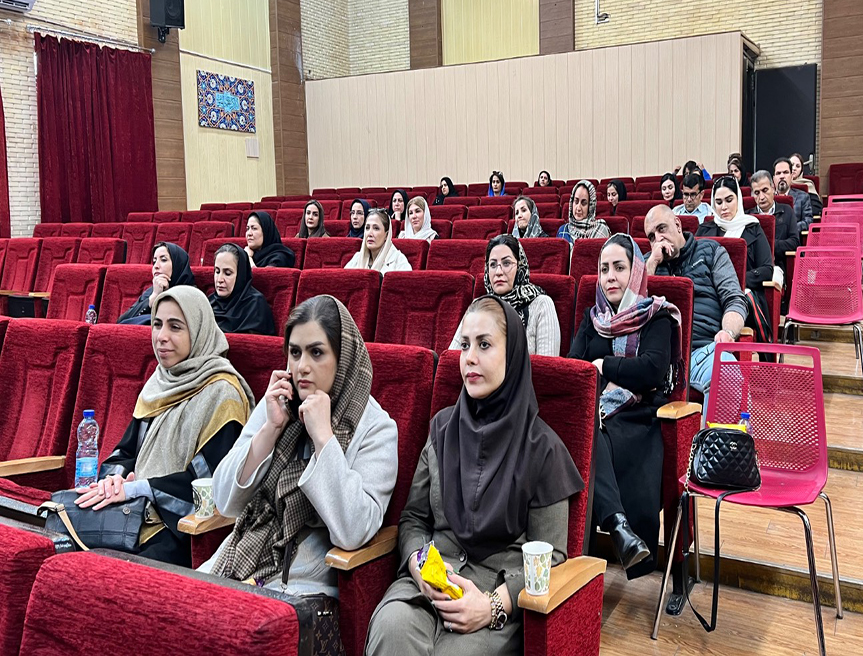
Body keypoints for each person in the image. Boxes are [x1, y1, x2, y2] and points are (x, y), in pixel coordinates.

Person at [365, 297, 583, 655]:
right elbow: (414, 518)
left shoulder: (544, 449)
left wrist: (493, 606)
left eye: (484, 345)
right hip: (428, 587)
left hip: (495, 596)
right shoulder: (442, 429)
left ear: (512, 356)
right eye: (465, 345)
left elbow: (551, 558)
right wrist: (419, 569)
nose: (469, 357)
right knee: (392, 629)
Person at [205, 295, 398, 606]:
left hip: (307, 582)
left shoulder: (376, 427)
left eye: (316, 352)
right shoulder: (279, 403)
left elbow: (354, 531)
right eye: (295, 353)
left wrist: (324, 439)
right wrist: (271, 429)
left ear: (342, 358)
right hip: (241, 557)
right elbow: (225, 500)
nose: (302, 367)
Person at [76, 286, 254, 566]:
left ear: (198, 331)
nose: (161, 336)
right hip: (130, 515)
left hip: (180, 531)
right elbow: (126, 452)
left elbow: (209, 484)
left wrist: (140, 489)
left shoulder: (223, 395)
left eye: (175, 327)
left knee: (99, 572)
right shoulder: (159, 382)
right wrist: (115, 480)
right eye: (157, 324)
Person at [568, 234, 681, 579]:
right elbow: (574, 367)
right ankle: (618, 527)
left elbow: (651, 370)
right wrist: (608, 371)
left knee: (584, 438)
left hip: (639, 418)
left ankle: (589, 549)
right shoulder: (593, 318)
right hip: (597, 413)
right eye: (604, 269)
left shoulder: (657, 315)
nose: (610, 277)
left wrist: (603, 365)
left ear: (636, 272)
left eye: (619, 268)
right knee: (584, 432)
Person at [643, 204, 747, 396]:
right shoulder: (647, 264)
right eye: (651, 236)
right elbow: (633, 308)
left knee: (727, 375)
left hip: (702, 350)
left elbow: (734, 299)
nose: (658, 239)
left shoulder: (711, 250)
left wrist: (728, 331)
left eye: (662, 229)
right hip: (656, 357)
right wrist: (652, 264)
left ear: (677, 225)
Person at [449, 235, 560, 356]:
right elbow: (452, 357)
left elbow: (547, 365)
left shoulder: (542, 305)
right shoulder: (478, 305)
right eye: (493, 265)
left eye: (506, 263)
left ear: (520, 266)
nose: (498, 272)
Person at [696, 177, 774, 342]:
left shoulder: (752, 228)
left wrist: (732, 282)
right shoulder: (704, 230)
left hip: (742, 293)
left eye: (729, 200)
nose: (724, 207)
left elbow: (767, 270)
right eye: (718, 202)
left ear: (738, 199)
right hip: (709, 295)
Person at [118, 242, 195, 325]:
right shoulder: (151, 291)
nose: (156, 266)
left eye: (163, 260)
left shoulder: (191, 295)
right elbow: (121, 321)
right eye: (154, 261)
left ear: (178, 265)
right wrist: (153, 298)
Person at [209, 243, 275, 335]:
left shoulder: (255, 305)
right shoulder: (209, 302)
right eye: (217, 271)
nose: (219, 279)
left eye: (227, 273)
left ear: (241, 275)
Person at [748, 170, 798, 280]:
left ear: (773, 188)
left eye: (765, 190)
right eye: (757, 193)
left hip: (778, 265)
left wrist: (768, 245)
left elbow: (794, 242)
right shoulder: (748, 217)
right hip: (754, 269)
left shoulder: (787, 211)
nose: (761, 197)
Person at [346, 209, 413, 274]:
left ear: (387, 235)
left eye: (376, 228)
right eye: (367, 228)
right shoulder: (357, 258)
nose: (370, 234)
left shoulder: (399, 260)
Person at [557, 180, 610, 247]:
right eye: (576, 202)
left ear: (590, 206)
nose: (578, 208)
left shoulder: (601, 229)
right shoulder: (563, 230)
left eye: (584, 203)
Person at [773, 158, 813, 233]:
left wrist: (791, 228)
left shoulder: (803, 197)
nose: (782, 176)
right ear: (774, 178)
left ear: (791, 177)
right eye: (778, 173)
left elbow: (808, 221)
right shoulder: (768, 198)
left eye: (785, 172)